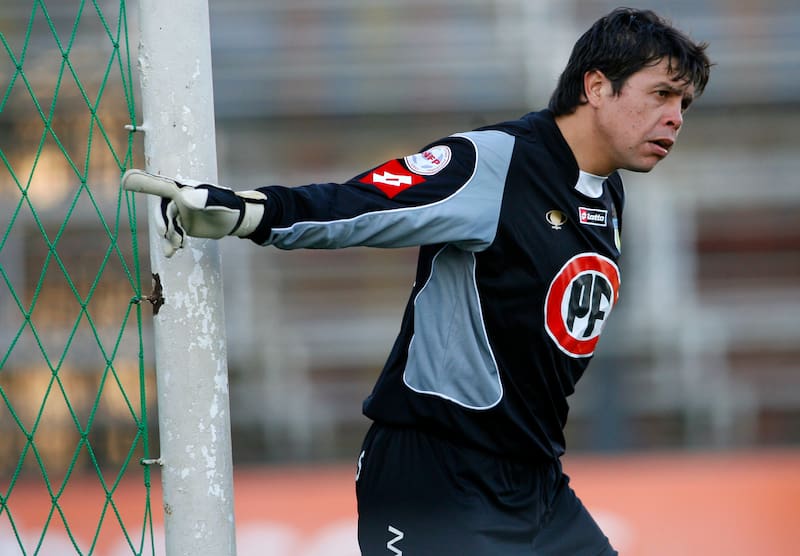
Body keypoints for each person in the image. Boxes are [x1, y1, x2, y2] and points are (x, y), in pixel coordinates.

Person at [123, 7, 711, 555]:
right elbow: (360, 204)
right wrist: (252, 212)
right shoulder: (492, 162)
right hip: (432, 476)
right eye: (661, 94)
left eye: (684, 103)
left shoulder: (606, 191)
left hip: (535, 485)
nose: (675, 118)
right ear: (596, 86)